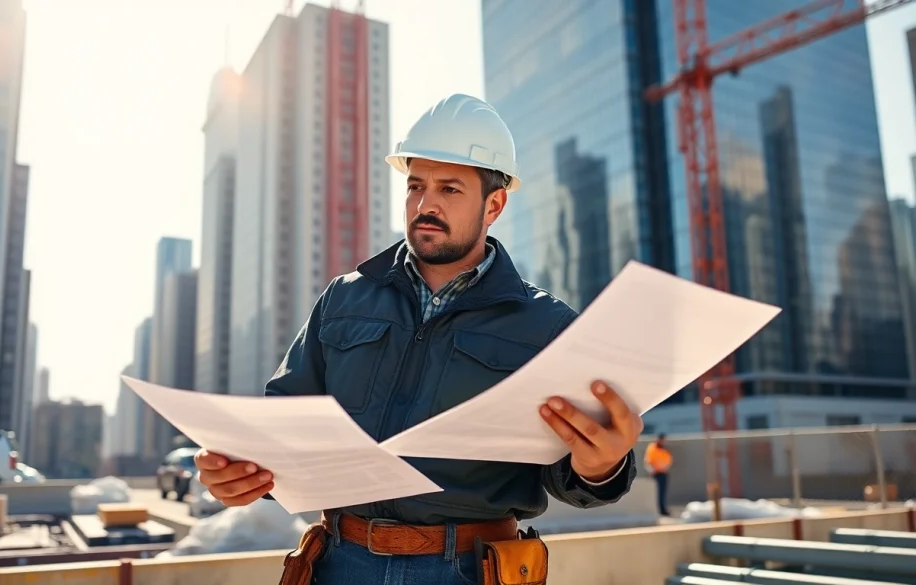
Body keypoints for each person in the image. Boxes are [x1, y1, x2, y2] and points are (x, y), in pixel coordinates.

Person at [195, 93, 643, 585]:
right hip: (341, 564)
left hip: (469, 571)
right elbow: (283, 425)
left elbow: (571, 477)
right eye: (416, 186)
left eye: (449, 189)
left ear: (494, 205)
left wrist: (600, 467)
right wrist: (241, 471)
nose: (425, 205)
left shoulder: (546, 327)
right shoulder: (343, 299)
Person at [644, 433, 673, 516]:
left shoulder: (664, 449)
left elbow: (668, 459)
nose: (664, 442)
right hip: (656, 474)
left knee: (662, 493)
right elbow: (648, 460)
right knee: (656, 493)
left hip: (663, 473)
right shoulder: (653, 448)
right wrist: (651, 470)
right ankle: (659, 510)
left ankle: (662, 509)